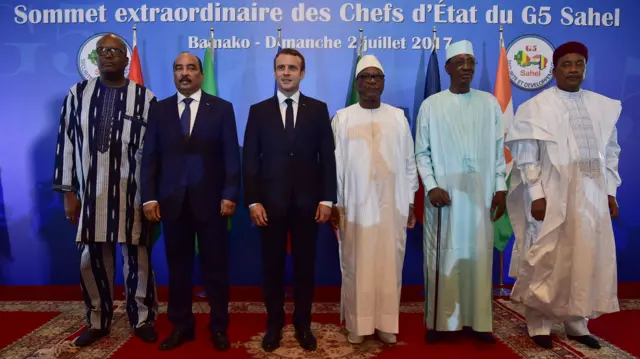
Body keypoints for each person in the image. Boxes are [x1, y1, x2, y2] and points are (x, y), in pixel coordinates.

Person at [506, 41, 621, 350]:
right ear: (553, 70)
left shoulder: (602, 106)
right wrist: (536, 194)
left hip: (591, 195)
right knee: (547, 256)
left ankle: (576, 322)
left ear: (585, 68)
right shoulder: (537, 107)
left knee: (584, 256)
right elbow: (527, 155)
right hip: (552, 193)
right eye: (566, 64)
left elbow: (610, 153)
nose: (573, 69)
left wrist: (610, 192)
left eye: (579, 64)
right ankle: (539, 322)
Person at [52, 33, 158, 347]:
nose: (107, 55)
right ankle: (98, 320)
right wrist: (68, 192)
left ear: (126, 60)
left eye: (114, 50)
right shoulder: (77, 94)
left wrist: (151, 196)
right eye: (102, 51)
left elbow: (154, 152)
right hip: (89, 196)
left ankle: (142, 319)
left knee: (137, 259)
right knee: (92, 259)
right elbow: (66, 144)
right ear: (95, 59)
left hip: (132, 194)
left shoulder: (145, 98)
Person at [140, 52, 240, 351]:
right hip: (172, 204)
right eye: (179, 68)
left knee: (216, 270)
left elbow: (231, 157)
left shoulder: (221, 108)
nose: (185, 73)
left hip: (212, 204)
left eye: (191, 68)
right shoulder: (159, 110)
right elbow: (150, 159)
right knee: (179, 270)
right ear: (174, 74)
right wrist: (149, 197)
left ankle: (219, 327)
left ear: (201, 74)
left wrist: (230, 194)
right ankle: (181, 326)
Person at [242, 48, 337, 352]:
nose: (286, 73)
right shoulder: (259, 110)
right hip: (269, 205)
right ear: (274, 72)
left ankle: (302, 323)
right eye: (281, 67)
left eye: (292, 68)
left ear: (302, 73)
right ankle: (274, 324)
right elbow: (250, 161)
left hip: (308, 205)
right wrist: (253, 201)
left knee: (305, 267)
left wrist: (327, 199)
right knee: (271, 266)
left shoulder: (318, 109)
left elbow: (328, 159)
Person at [414, 39, 507, 344]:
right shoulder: (432, 105)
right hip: (445, 199)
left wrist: (500, 187)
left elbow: (497, 150)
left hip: (480, 196)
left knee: (479, 257)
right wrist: (432, 186)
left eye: (471, 62)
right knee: (444, 258)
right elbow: (422, 153)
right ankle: (441, 324)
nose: (467, 68)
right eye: (461, 62)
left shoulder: (489, 103)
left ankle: (479, 323)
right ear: (448, 67)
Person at [330, 54, 418, 345]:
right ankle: (358, 324)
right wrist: (336, 204)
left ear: (383, 83)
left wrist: (410, 201)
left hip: (391, 205)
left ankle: (385, 323)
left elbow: (408, 161)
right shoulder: (343, 118)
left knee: (390, 262)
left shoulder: (397, 117)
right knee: (356, 262)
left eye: (376, 77)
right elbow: (336, 166)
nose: (371, 81)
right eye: (365, 77)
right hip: (354, 205)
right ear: (356, 84)